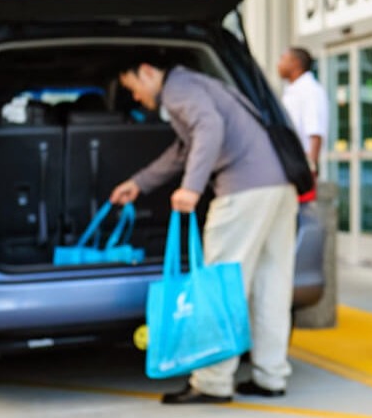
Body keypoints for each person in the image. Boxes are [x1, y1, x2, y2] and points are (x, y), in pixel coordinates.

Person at [110, 55, 297, 405]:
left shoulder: (178, 88)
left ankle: (212, 383)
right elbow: (185, 149)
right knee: (270, 285)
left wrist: (192, 188)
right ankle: (271, 377)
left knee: (217, 286)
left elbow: (209, 128)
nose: (136, 97)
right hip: (278, 187)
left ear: (147, 71)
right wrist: (139, 183)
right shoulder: (198, 84)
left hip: (243, 191)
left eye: (133, 88)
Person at [276, 47, 329, 223]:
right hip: (288, 164)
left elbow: (315, 132)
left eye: (283, 58)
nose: (279, 63)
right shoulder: (293, 90)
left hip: (299, 167)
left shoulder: (310, 91)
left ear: (296, 64)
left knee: (300, 218)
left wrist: (310, 168)